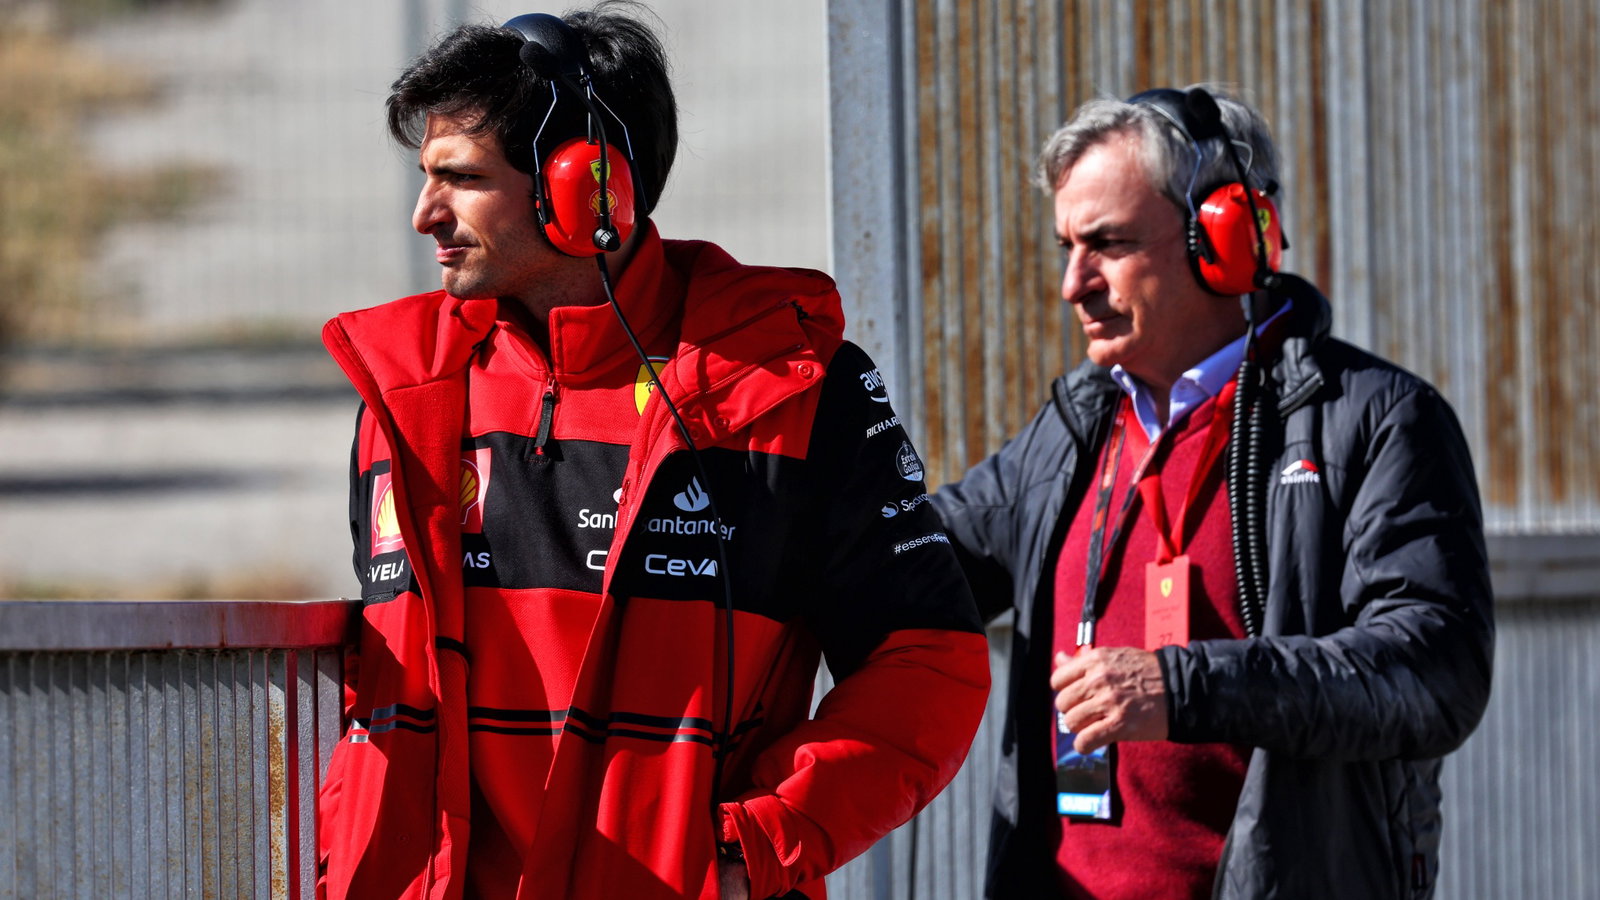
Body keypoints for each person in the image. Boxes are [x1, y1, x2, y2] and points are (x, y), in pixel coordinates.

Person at [316, 5, 990, 899]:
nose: (423, 215)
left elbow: (929, 662)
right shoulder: (403, 397)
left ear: (585, 188)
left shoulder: (789, 389)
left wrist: (759, 843)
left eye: (460, 179)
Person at [930, 85, 1493, 899]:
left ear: (1222, 238)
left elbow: (1436, 670)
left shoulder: (1372, 421)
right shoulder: (1073, 434)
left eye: (1107, 244)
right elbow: (916, 560)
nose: (1072, 284)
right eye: (1066, 247)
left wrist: (1186, 687)